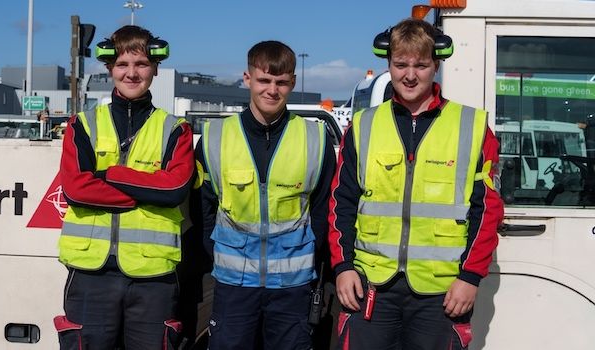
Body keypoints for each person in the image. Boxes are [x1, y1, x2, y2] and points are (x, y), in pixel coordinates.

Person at [329, 18, 504, 349]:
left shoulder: (474, 127)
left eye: (421, 65)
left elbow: (488, 211)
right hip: (370, 286)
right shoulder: (363, 126)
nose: (410, 75)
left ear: (436, 65)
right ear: (388, 64)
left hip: (441, 293)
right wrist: (343, 267)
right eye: (400, 64)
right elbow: (342, 202)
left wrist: (470, 277)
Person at [53, 25, 195, 350]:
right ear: (109, 68)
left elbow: (173, 190)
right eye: (122, 65)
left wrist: (109, 174)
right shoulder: (82, 125)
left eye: (141, 64)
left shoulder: (176, 129)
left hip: (153, 275)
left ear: (156, 68)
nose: (132, 74)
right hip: (91, 274)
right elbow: (76, 188)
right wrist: (147, 188)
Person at [196, 40, 336, 350]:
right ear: (247, 79)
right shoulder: (213, 138)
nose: (272, 89)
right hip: (234, 287)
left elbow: (324, 208)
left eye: (281, 82)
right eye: (264, 80)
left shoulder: (316, 139)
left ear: (292, 83)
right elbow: (203, 210)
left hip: (293, 288)